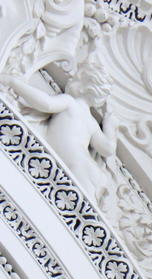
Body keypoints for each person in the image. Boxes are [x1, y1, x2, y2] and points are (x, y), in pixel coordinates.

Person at [0, 63, 118, 199]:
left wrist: (13, 83)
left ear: (83, 87)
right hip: (86, 165)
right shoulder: (92, 123)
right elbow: (108, 148)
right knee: (82, 201)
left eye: (75, 78)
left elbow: (46, 103)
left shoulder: (70, 102)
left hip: (74, 162)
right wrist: (110, 125)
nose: (70, 79)